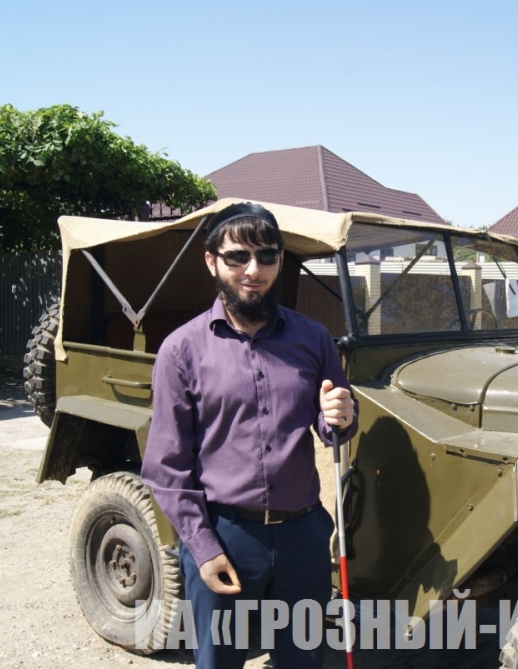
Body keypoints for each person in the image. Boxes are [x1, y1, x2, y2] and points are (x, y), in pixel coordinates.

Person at [141, 201, 358, 669]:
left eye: (267, 256)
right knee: (219, 661)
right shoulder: (181, 350)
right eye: (238, 256)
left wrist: (340, 415)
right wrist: (203, 549)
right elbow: (166, 468)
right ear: (212, 261)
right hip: (225, 537)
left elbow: (334, 426)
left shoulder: (314, 338)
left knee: (303, 661)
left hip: (302, 537)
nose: (254, 270)